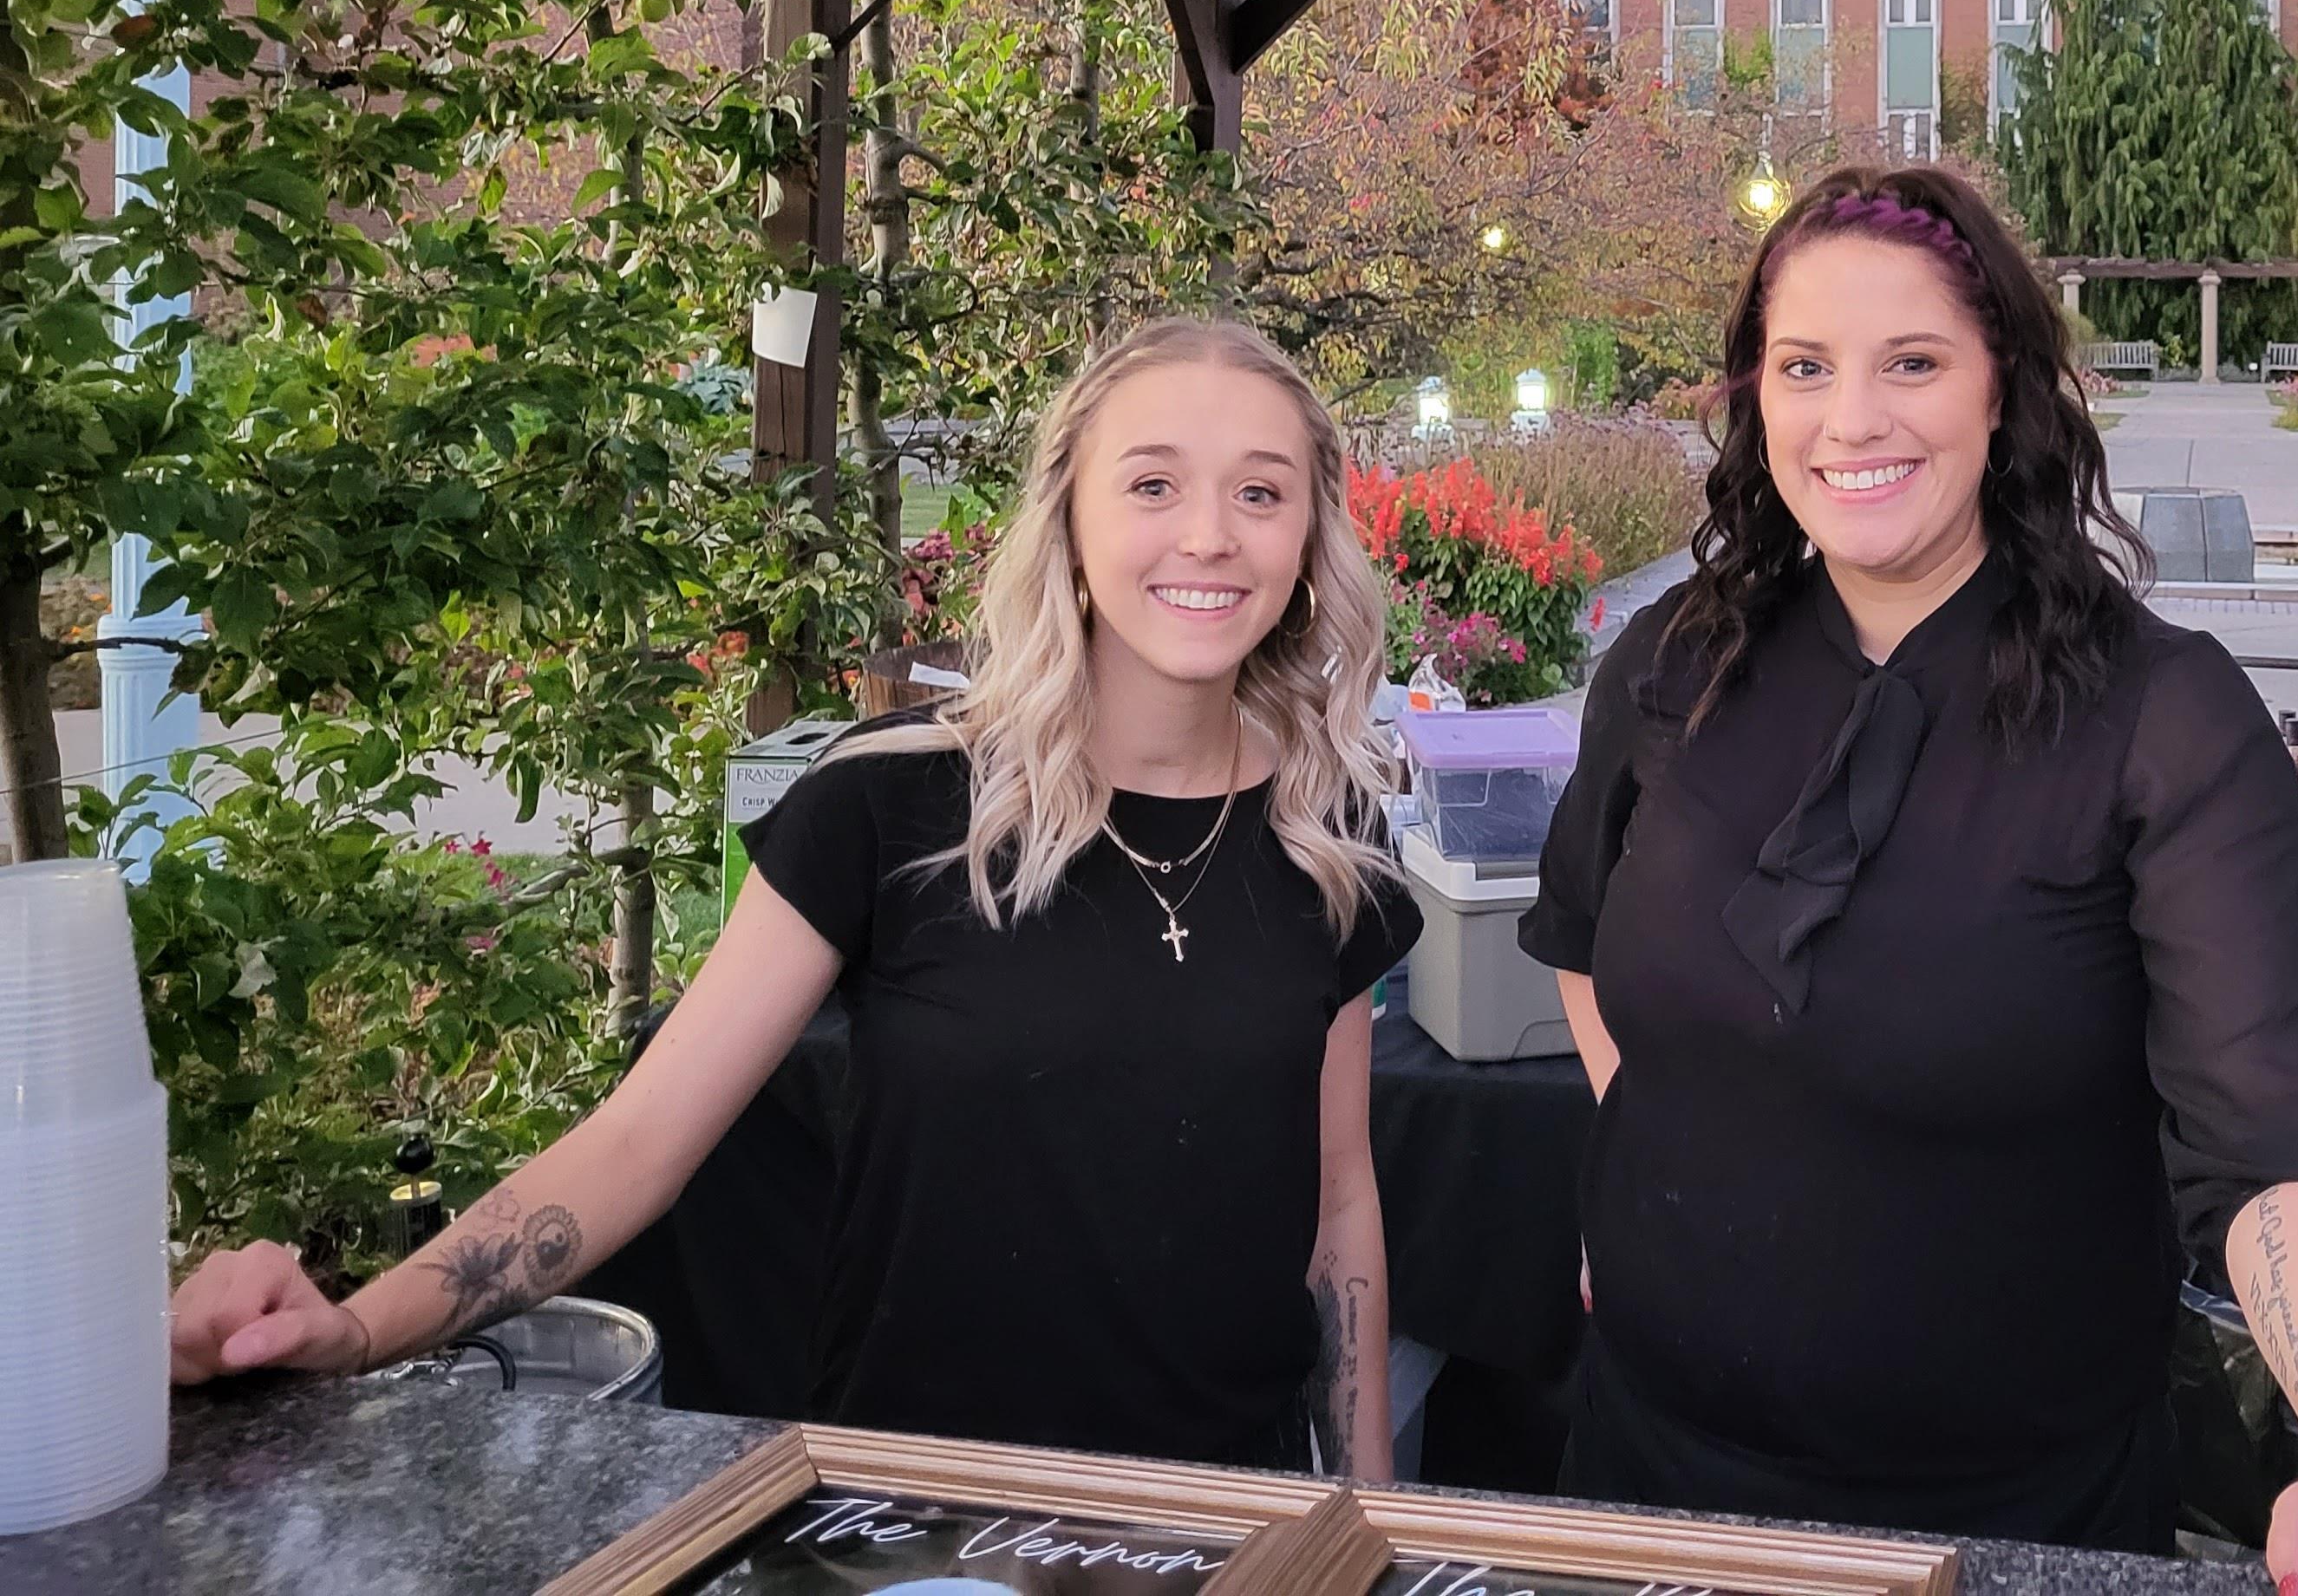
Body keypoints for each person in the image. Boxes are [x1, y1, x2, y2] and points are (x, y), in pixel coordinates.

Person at [167, 316, 1420, 1478]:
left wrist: (1374, 1521)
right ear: (1070, 524)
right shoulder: (892, 802)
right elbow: (637, 1146)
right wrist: (359, 1330)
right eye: (1152, 485)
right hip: (915, 1514)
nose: (1209, 535)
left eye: (1260, 493)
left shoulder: (1329, 830)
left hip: (1225, 1515)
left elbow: (1340, 1204)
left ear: (1308, 543)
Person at [1526, 167, 2298, 1596]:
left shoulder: (2162, 721)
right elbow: (1582, 936)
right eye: (1806, 367)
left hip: (2009, 1525)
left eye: (1913, 363)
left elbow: (2285, 1135)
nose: (1851, 418)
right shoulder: (1675, 663)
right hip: (1647, 1479)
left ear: (2003, 388)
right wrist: (1665, 1153)